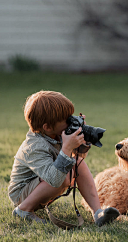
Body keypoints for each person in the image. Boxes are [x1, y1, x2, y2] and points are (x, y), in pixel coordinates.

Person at [8, 91, 120, 226]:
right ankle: (23, 210)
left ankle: (97, 213)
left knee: (76, 162)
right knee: (63, 177)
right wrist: (66, 148)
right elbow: (54, 179)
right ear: (47, 127)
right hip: (22, 193)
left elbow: (79, 158)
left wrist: (82, 139)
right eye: (66, 119)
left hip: (43, 183)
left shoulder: (57, 134)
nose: (70, 121)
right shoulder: (35, 146)